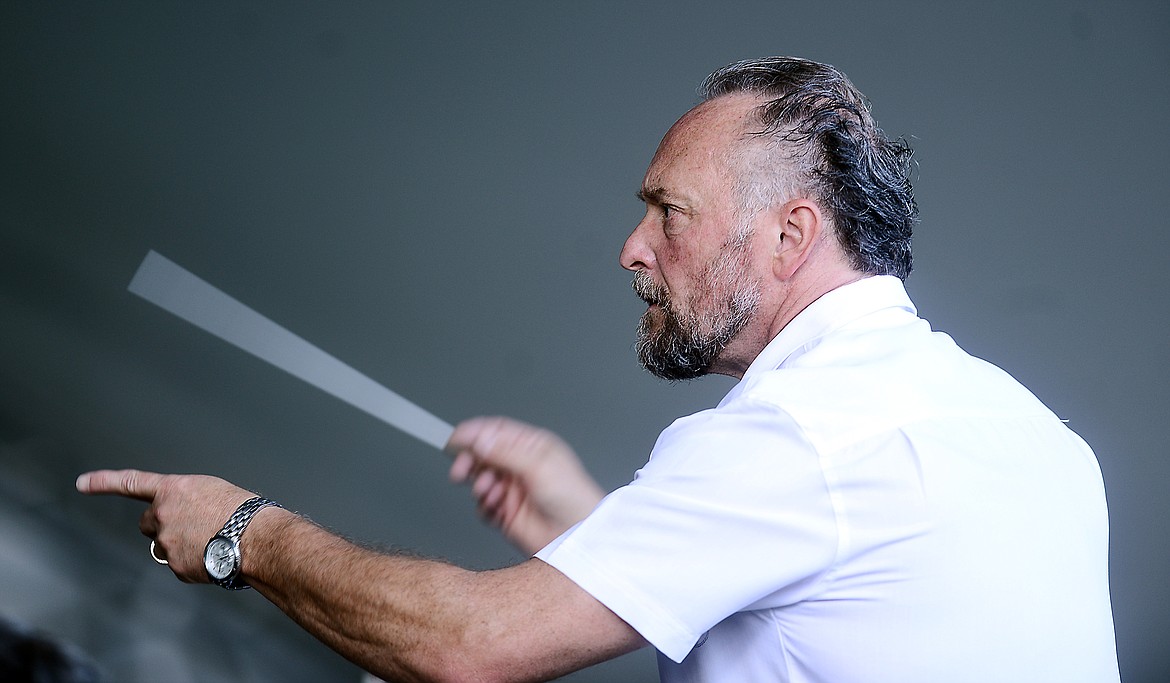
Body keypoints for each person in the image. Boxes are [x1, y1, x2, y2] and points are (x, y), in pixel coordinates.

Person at [77, 57, 1120, 682]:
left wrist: (240, 531)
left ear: (789, 236)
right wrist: (591, 521)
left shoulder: (796, 433)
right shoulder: (1032, 436)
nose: (633, 247)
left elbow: (467, 649)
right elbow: (823, 605)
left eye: (669, 211)